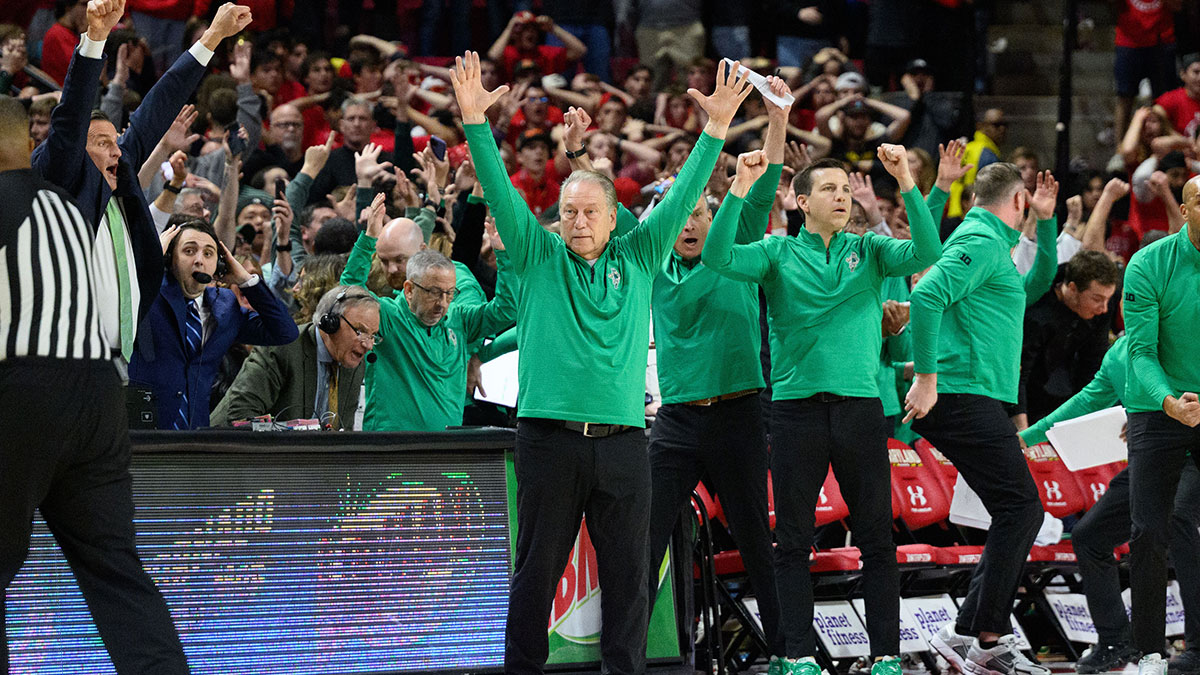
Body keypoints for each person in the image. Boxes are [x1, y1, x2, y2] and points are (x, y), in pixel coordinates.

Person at [453, 50, 748, 675]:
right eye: (568, 212)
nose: (578, 220)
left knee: (629, 581)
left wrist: (715, 130)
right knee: (535, 577)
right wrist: (478, 122)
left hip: (623, 445)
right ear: (555, 221)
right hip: (548, 439)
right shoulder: (537, 254)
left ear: (616, 219)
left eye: (590, 211)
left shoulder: (640, 256)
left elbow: (689, 193)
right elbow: (502, 192)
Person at [705, 133, 957, 672]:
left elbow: (930, 253)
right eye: (829, 189)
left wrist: (908, 182)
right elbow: (717, 254)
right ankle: (796, 656)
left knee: (875, 538)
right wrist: (738, 192)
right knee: (793, 540)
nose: (842, 197)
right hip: (795, 410)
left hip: (862, 408)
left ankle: (886, 655)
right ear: (801, 202)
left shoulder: (869, 251)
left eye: (846, 189)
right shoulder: (776, 251)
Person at [0, 93, 189, 673]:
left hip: (25, 387)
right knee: (116, 573)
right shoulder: (73, 207)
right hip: (101, 394)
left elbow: (78, 120)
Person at [31, 0, 253, 377]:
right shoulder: (66, 180)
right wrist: (96, 38)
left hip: (125, 365)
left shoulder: (122, 182)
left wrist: (212, 36)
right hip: (66, 361)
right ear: (76, 153)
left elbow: (157, 106)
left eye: (115, 140)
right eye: (101, 142)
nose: (116, 149)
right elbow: (71, 116)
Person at [904, 162, 1060, 675]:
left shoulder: (993, 243)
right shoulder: (981, 239)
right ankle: (984, 636)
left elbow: (1036, 286)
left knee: (1016, 511)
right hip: (959, 393)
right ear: (1017, 201)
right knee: (1021, 509)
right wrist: (926, 377)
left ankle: (966, 632)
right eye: (1029, 208)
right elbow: (926, 294)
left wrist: (1049, 223)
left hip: (974, 396)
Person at [1018, 336, 1200, 675]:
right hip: (1154, 458)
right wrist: (1027, 438)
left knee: (1177, 519)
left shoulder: (1182, 333)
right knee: (1090, 535)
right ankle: (1116, 641)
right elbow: (1088, 399)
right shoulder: (1119, 354)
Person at [340, 193, 516, 432]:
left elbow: (507, 309)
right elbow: (349, 295)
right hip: (389, 451)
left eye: (449, 293)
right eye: (433, 293)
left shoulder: (460, 317)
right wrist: (368, 239)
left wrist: (503, 256)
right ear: (410, 290)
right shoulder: (389, 317)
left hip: (444, 451)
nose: (442, 303)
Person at [1124, 175, 1200, 675]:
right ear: (1186, 208)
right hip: (1161, 407)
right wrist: (1169, 401)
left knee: (1184, 522)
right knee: (1148, 530)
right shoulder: (1150, 263)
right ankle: (1149, 651)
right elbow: (1141, 352)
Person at [129, 218, 297, 429]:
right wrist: (150, 264)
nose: (199, 260)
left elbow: (285, 332)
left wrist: (246, 280)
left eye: (208, 253)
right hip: (143, 430)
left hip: (195, 432)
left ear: (218, 263)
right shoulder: (147, 295)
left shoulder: (226, 306)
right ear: (170, 259)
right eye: (189, 251)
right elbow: (117, 307)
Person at [211, 285, 379, 429]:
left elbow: (343, 430)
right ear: (330, 323)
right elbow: (240, 414)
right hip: (226, 454)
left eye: (373, 335)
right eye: (360, 331)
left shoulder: (353, 362)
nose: (368, 345)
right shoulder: (283, 348)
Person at [1018, 251, 1119, 426]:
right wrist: (1021, 425)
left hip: (1070, 387)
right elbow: (1020, 374)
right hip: (1033, 394)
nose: (1103, 308)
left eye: (1107, 300)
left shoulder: (1101, 307)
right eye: (1097, 299)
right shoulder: (1037, 314)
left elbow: (1094, 363)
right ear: (1072, 288)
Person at [949, 108, 1007, 217]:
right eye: (996, 125)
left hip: (954, 211)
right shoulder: (989, 156)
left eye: (1005, 125)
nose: (1002, 129)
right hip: (974, 212)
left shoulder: (965, 148)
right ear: (980, 126)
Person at [1154, 52, 1200, 139]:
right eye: (1196, 72)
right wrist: (1173, 134)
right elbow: (1155, 112)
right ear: (1183, 74)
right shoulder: (1172, 99)